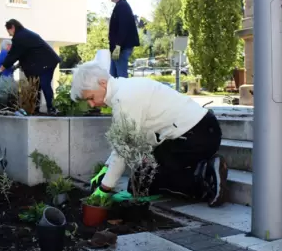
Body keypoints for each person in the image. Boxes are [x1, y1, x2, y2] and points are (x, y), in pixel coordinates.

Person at [71, 62, 228, 207]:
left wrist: (105, 188)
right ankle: (195, 168)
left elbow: (123, 151)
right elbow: (123, 140)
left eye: (91, 98)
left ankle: (205, 179)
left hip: (197, 136)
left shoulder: (124, 99)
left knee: (149, 182)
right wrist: (106, 168)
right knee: (140, 182)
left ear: (103, 83)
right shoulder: (125, 89)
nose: (91, 104)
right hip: (197, 131)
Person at [0, 19, 60, 114]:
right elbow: (23, 53)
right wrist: (18, 66)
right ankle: (36, 109)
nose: (9, 34)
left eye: (9, 31)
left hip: (47, 62)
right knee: (35, 86)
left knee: (44, 83)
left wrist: (1, 69)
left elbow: (13, 55)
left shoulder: (20, 36)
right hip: (43, 62)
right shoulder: (24, 34)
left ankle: (51, 108)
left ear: (13, 27)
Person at [108, 0, 140, 78]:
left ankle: (125, 92)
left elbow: (123, 27)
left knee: (121, 77)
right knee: (113, 77)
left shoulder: (122, 6)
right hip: (118, 48)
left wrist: (118, 46)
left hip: (121, 48)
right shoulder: (121, 6)